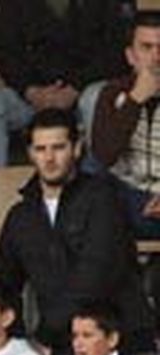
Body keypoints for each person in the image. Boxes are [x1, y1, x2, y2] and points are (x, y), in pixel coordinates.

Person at [0, 108, 152, 355]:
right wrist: (17, 343)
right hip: (62, 351)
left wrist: (43, 337)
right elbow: (2, 286)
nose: (49, 158)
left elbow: (93, 277)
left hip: (123, 347)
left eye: (58, 147)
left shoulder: (103, 199)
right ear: (30, 153)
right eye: (40, 149)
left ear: (77, 148)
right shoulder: (20, 216)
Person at [0, 0, 122, 172]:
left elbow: (115, 52)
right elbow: (5, 53)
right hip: (35, 96)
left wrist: (75, 88)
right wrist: (31, 91)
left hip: (83, 92)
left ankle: (93, 181)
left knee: (96, 97)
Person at [90, 14, 160, 237]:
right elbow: (104, 155)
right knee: (92, 180)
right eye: (147, 47)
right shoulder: (113, 93)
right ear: (131, 56)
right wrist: (135, 100)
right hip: (126, 195)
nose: (156, 57)